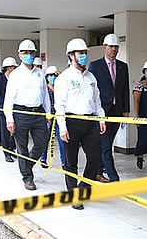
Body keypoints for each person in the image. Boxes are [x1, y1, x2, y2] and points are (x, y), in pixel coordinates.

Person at [55, 38, 106, 210]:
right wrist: (62, 127)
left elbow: (97, 100)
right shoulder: (64, 78)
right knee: (71, 161)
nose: (83, 56)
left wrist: (101, 118)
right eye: (80, 53)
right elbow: (59, 104)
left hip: (90, 121)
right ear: (71, 55)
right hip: (71, 122)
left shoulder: (91, 77)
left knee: (95, 157)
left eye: (85, 53)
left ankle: (83, 189)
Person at [3, 39, 50, 191]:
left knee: (42, 143)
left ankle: (27, 164)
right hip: (20, 113)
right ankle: (28, 177)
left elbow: (45, 96)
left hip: (38, 113)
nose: (28, 55)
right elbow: (8, 99)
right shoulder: (15, 75)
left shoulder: (39, 73)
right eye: (25, 53)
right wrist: (9, 119)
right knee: (21, 147)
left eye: (31, 52)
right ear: (20, 55)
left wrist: (49, 113)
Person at [88, 33, 130, 182]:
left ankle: (97, 173)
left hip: (117, 111)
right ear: (104, 47)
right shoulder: (95, 66)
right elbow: (91, 90)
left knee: (107, 143)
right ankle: (114, 177)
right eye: (111, 46)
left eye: (116, 47)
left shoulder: (123, 66)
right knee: (106, 146)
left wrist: (126, 111)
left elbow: (125, 89)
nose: (114, 49)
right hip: (102, 112)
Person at [39, 65, 65, 169]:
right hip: (48, 118)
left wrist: (61, 75)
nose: (52, 77)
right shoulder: (45, 89)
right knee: (46, 139)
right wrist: (47, 116)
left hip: (59, 118)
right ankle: (43, 158)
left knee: (62, 141)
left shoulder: (60, 88)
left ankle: (64, 162)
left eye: (54, 75)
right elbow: (43, 103)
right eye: (50, 75)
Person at [0, 57, 18, 163]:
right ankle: (6, 152)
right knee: (5, 132)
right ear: (8, 68)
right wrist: (7, 103)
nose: (15, 69)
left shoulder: (17, 80)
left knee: (15, 131)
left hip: (15, 110)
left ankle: (12, 149)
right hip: (3, 111)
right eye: (13, 67)